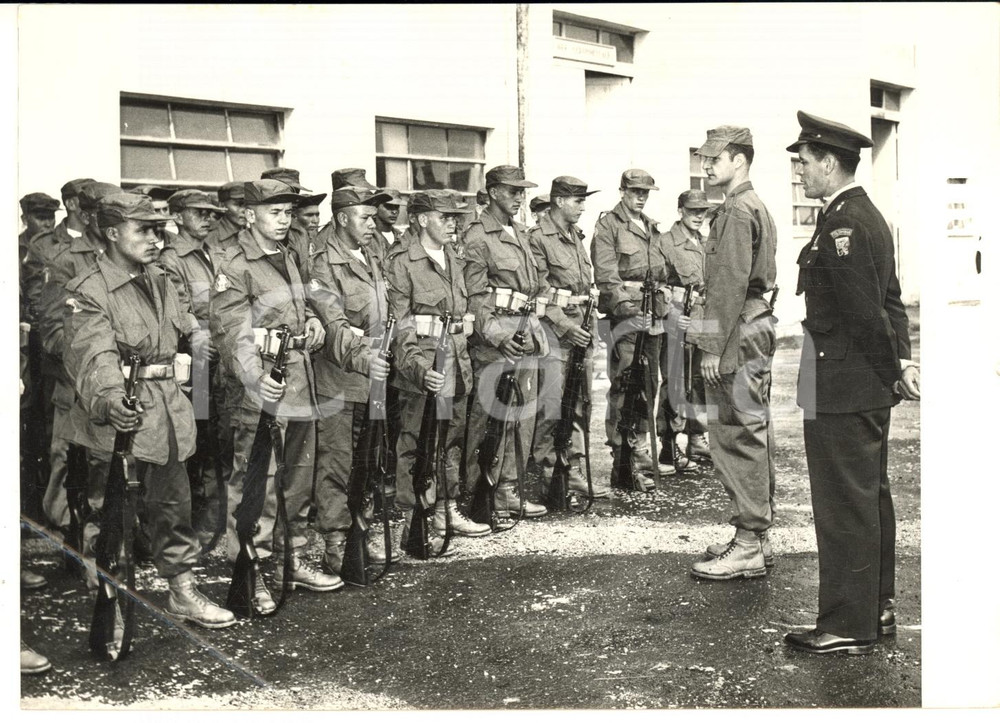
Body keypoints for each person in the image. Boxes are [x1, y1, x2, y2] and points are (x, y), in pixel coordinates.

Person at [66, 192, 235, 629]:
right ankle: (112, 601)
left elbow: (186, 325)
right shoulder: (89, 291)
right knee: (113, 516)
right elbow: (93, 356)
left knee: (173, 509)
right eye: (143, 230)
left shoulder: (160, 279)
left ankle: (181, 591)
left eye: (159, 229)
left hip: (167, 412)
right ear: (112, 232)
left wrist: (198, 340)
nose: (155, 239)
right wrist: (108, 400)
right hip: (120, 415)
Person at [783, 111, 919, 654]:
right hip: (848, 380)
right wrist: (901, 366)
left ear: (831, 163)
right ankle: (875, 607)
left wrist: (893, 373)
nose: (800, 173)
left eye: (805, 163)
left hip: (842, 383)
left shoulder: (847, 223)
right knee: (867, 497)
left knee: (843, 505)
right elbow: (891, 301)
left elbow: (868, 314)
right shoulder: (858, 215)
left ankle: (846, 622)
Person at [211, 179, 342, 610]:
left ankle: (293, 559)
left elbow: (300, 309)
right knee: (257, 482)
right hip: (262, 384)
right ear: (249, 215)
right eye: (275, 213)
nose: (284, 220)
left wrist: (316, 326)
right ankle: (252, 569)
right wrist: (254, 377)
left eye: (288, 213)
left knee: (297, 477)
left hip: (299, 379)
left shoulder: (288, 256)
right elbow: (232, 331)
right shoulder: (234, 262)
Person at [687, 126, 778, 581]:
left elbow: (725, 286)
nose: (706, 166)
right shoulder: (748, 206)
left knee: (735, 433)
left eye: (714, 158)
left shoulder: (737, 211)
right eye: (704, 159)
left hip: (737, 326)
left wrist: (708, 346)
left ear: (739, 159)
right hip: (750, 322)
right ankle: (754, 535)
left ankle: (748, 544)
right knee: (750, 429)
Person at [385, 190, 490, 551]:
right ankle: (411, 517)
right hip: (426, 370)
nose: (453, 223)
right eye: (444, 217)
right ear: (420, 219)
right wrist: (418, 370)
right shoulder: (402, 261)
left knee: (451, 441)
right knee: (416, 444)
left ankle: (446, 508)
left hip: (455, 366)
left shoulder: (452, 257)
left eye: (455, 218)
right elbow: (399, 326)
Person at [307, 185, 396, 575]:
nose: (373, 224)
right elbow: (333, 323)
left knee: (369, 456)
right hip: (340, 375)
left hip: (373, 372)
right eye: (365, 217)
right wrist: (365, 358)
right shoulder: (322, 258)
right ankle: (336, 541)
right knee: (337, 461)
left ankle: (362, 526)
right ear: (342, 218)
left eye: (375, 218)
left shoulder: (372, 253)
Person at [463, 165, 549, 518]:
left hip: (525, 333)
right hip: (495, 338)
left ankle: (509, 490)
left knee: (521, 417)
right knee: (490, 419)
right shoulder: (477, 237)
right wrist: (498, 336)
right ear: (494, 192)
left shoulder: (520, 233)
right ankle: (478, 493)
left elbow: (534, 284)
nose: (519, 198)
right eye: (513, 191)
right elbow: (474, 295)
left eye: (521, 192)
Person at [591, 169, 675, 490]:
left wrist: (661, 305)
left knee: (648, 385)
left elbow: (662, 273)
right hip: (626, 318)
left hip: (652, 317)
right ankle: (622, 457)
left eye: (646, 192)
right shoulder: (608, 226)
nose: (641, 197)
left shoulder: (652, 227)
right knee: (626, 384)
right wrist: (629, 311)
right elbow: (607, 278)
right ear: (622, 190)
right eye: (635, 191)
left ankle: (638, 447)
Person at [158, 189, 231, 546]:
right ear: (177, 216)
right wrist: (198, 334)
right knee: (200, 440)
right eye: (199, 212)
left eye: (212, 213)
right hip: (198, 365)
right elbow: (179, 308)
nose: (208, 218)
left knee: (224, 438)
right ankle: (201, 519)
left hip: (227, 358)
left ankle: (221, 516)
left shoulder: (219, 252)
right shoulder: (172, 259)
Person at [528, 176, 607, 499]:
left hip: (581, 329)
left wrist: (588, 329)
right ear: (559, 201)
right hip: (554, 333)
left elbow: (583, 287)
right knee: (551, 406)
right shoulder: (537, 238)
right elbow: (539, 290)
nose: (583, 207)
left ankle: (571, 470)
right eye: (578, 201)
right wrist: (564, 326)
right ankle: (547, 476)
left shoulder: (576, 236)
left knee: (579, 404)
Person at [656, 189, 713, 470]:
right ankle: (668, 445)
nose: (698, 217)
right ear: (680, 211)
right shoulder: (666, 242)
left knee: (699, 382)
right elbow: (657, 285)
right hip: (678, 320)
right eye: (692, 211)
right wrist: (671, 314)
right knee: (675, 383)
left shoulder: (706, 242)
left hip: (702, 320)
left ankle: (697, 439)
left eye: (702, 212)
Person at [205, 181, 248, 251]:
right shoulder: (208, 237)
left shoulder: (254, 233)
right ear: (222, 206)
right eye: (238, 204)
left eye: (247, 204)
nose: (244, 210)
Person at [372, 188, 406, 259]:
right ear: (375, 207)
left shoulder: (401, 237)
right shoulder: (368, 237)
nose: (394, 211)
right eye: (388, 206)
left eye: (397, 207)